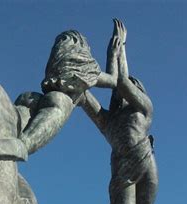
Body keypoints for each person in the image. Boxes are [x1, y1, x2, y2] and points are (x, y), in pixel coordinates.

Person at [80, 20, 158, 204]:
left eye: (134, 87)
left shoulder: (143, 108)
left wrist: (118, 49)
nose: (128, 91)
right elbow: (84, 97)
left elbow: (121, 81)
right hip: (122, 176)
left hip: (146, 167)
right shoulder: (109, 122)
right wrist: (72, 79)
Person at [16, 21, 121, 155]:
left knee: (11, 129)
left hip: (32, 97)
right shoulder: (84, 68)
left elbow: (87, 100)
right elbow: (114, 80)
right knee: (23, 145)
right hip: (58, 102)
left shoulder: (56, 64)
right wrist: (113, 54)